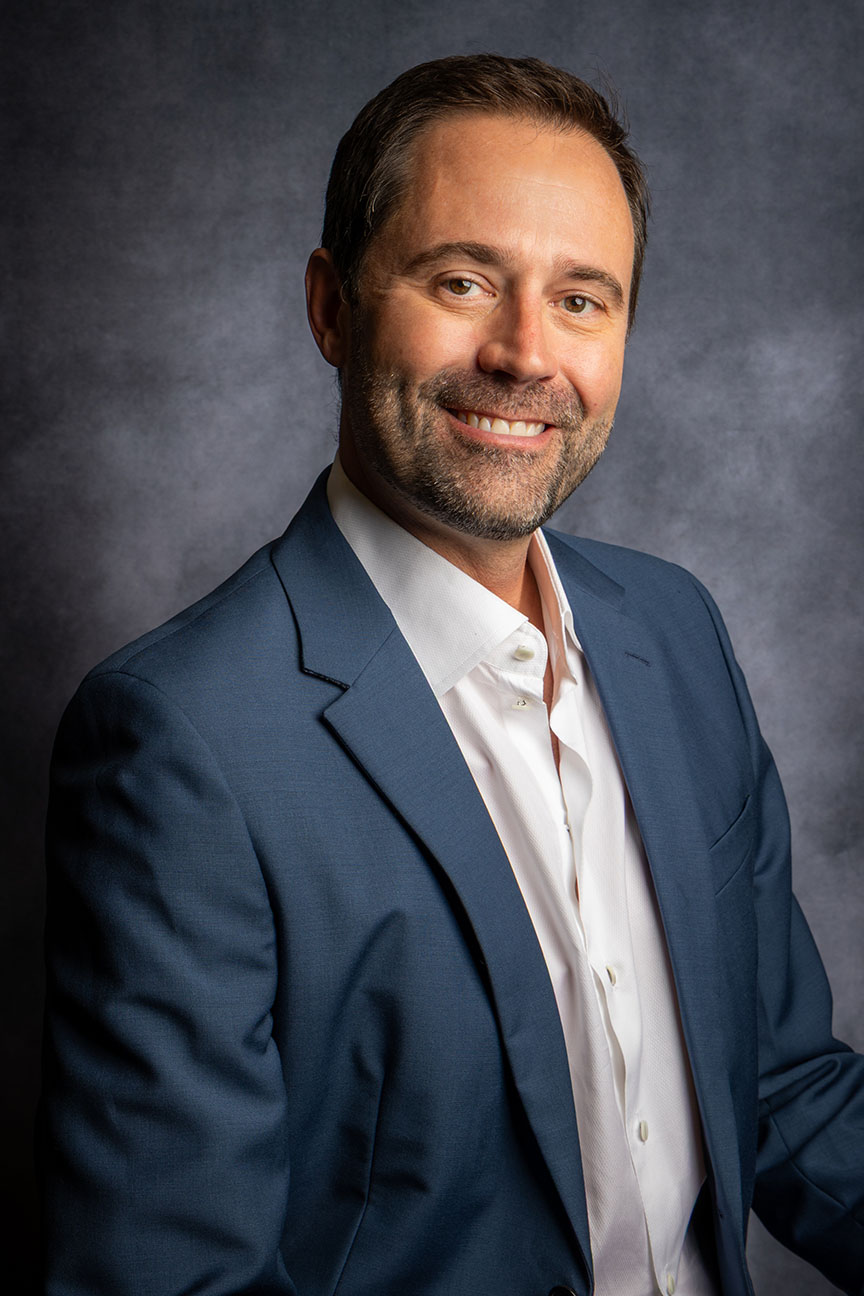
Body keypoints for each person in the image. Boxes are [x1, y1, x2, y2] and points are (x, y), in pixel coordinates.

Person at [40, 54, 863, 1296]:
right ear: (332, 308)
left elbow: (784, 1084)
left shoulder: (677, 631)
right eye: (464, 281)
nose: (526, 354)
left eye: (581, 299)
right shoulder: (181, 740)